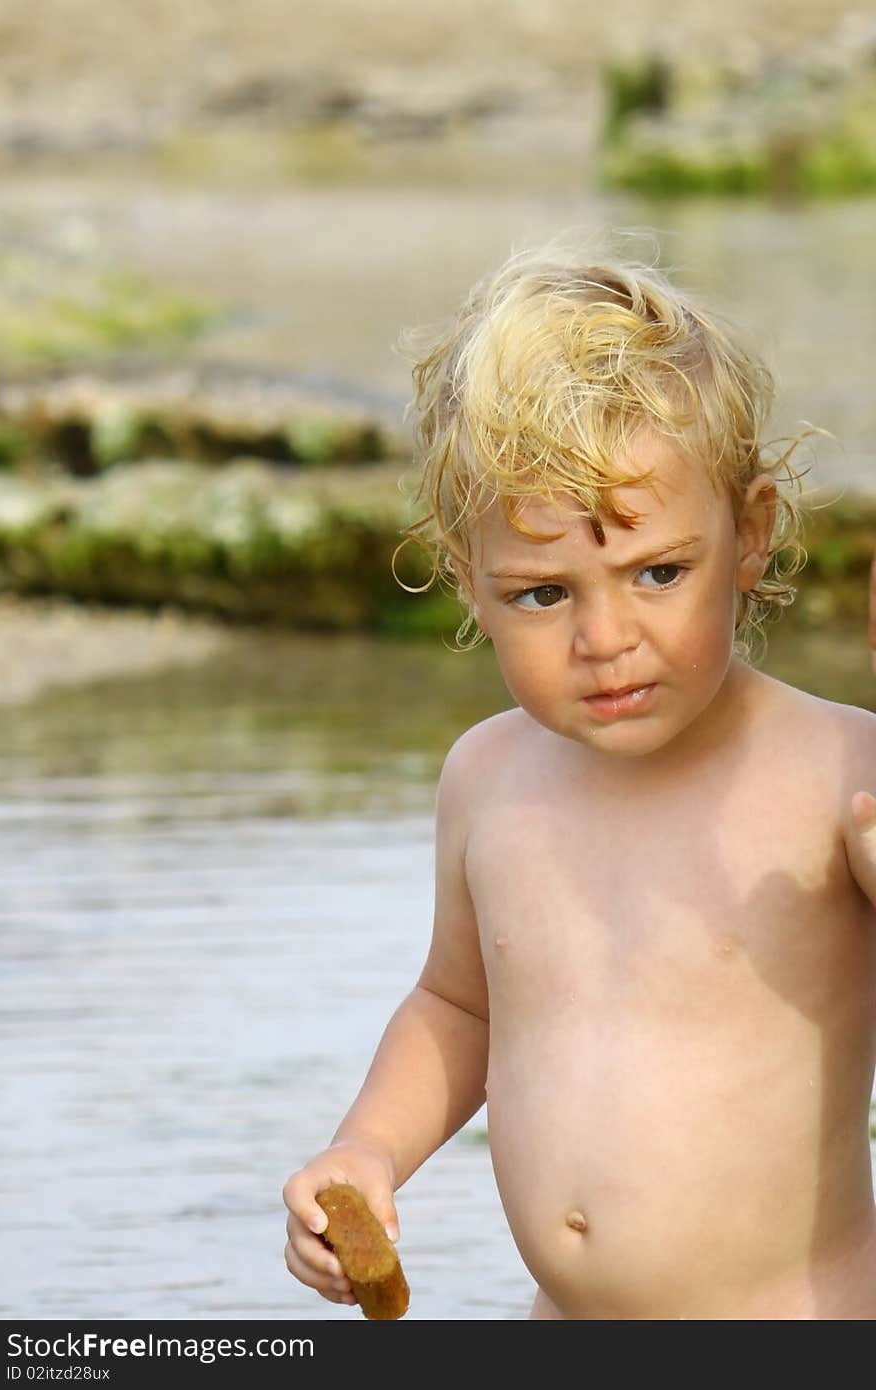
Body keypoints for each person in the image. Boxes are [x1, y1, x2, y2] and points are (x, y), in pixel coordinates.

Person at [283, 237, 876, 1319]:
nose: (605, 638)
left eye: (658, 572)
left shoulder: (840, 773)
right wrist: (365, 1147)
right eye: (542, 595)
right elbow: (458, 1004)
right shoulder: (488, 778)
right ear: (466, 579)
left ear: (749, 535)